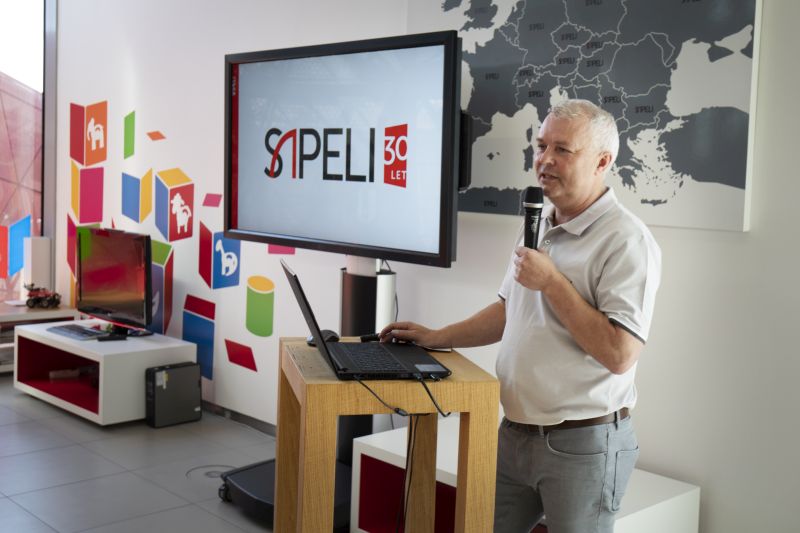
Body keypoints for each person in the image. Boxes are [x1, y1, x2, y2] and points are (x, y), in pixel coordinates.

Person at [379, 99, 661, 533]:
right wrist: (436, 336)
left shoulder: (626, 240)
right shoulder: (539, 219)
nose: (545, 160)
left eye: (562, 149)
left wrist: (553, 283)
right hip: (515, 433)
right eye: (541, 146)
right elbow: (510, 309)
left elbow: (619, 353)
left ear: (602, 162)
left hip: (583, 445)